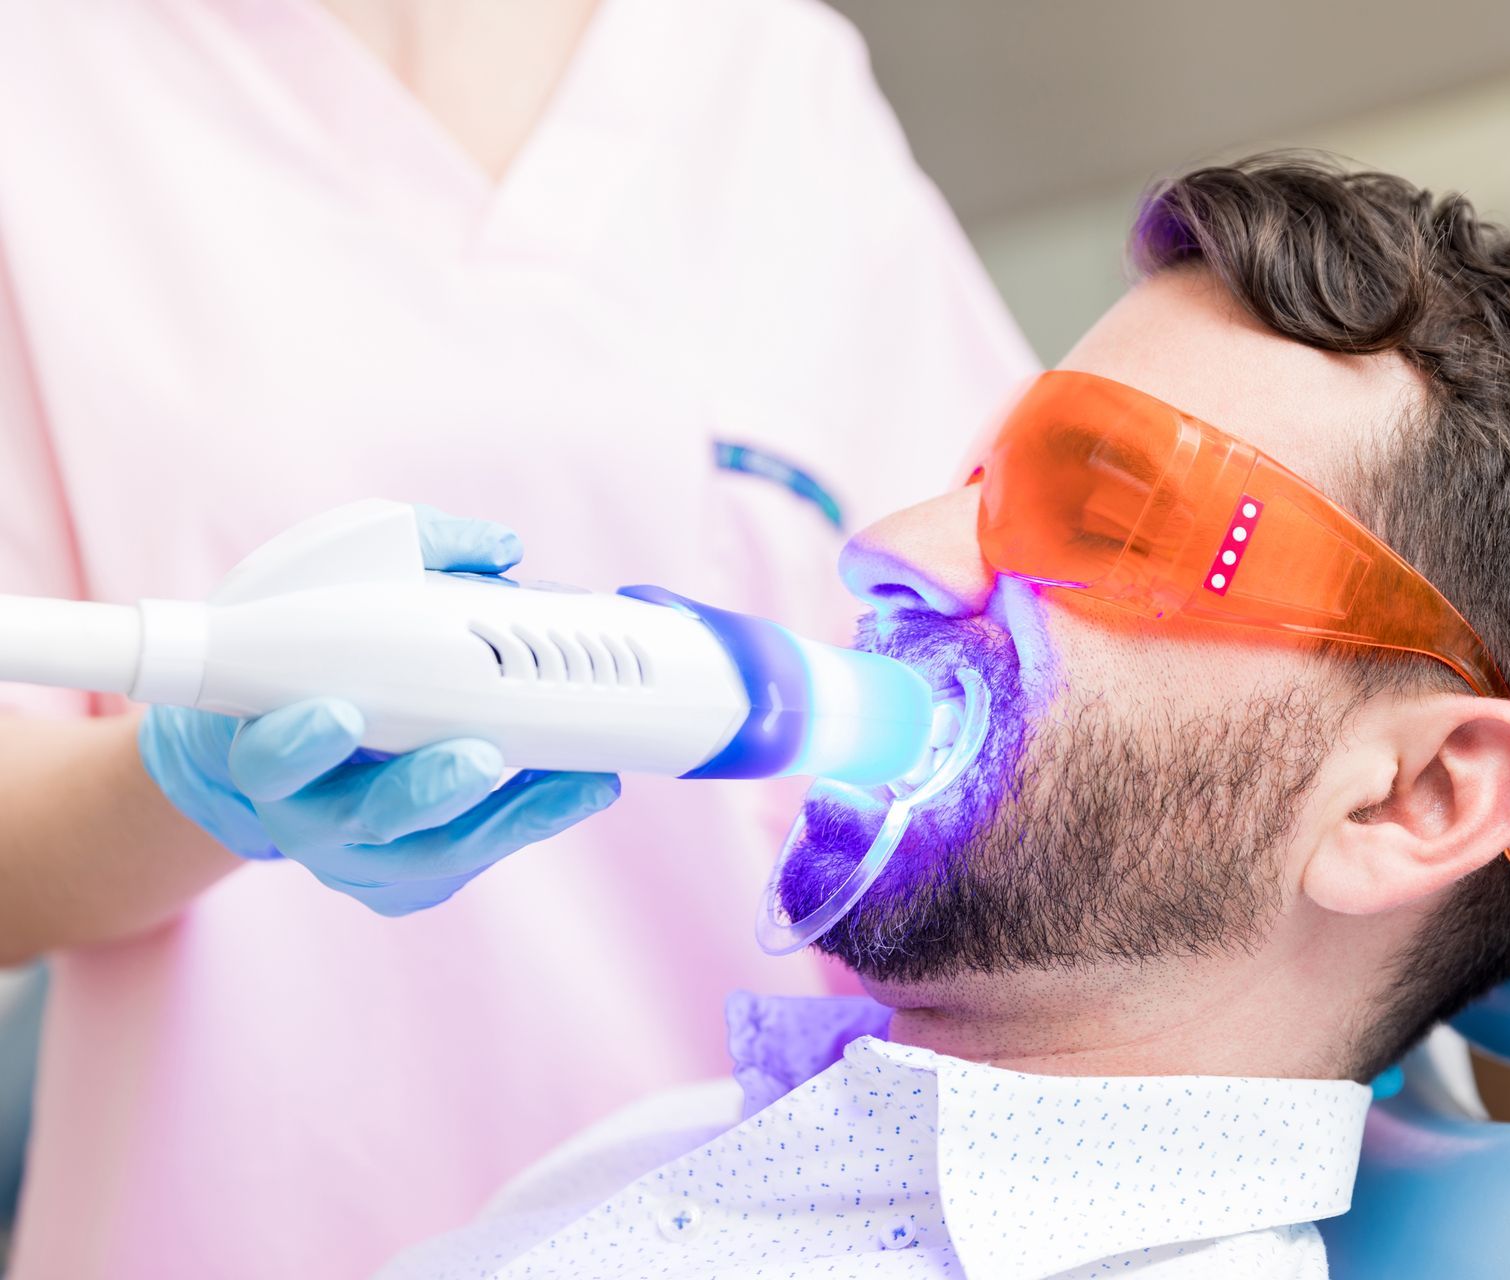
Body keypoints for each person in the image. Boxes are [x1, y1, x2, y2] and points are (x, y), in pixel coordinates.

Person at [377, 153, 1510, 1278]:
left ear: (1410, 799)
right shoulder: (670, 1148)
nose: (890, 545)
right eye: (972, 477)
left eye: (1101, 508)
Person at [0, 1, 1033, 1275]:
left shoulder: (761, 66)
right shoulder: (42, 84)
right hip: (247, 1215)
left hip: (764, 1215)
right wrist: (188, 785)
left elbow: (1028, 661)